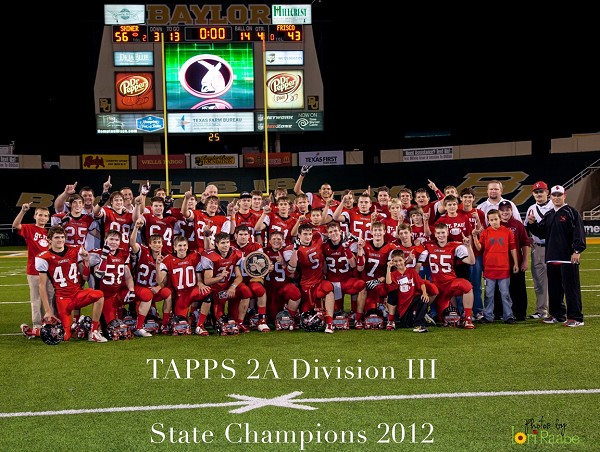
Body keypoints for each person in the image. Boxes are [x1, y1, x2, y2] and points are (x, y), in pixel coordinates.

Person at [23, 226, 107, 342]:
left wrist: (86, 261)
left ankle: (93, 331)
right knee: (64, 336)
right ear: (50, 240)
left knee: (99, 295)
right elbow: (42, 286)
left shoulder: (75, 250)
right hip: (63, 299)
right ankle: (32, 331)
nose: (60, 240)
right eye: (57, 237)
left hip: (77, 293)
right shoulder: (44, 257)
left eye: (62, 237)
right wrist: (48, 310)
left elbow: (85, 277)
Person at [526, 185, 586, 327]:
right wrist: (532, 223)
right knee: (554, 289)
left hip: (567, 258)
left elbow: (579, 233)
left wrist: (577, 251)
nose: (556, 198)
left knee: (571, 289)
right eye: (554, 195)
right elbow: (541, 233)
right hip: (552, 257)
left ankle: (576, 318)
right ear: (551, 196)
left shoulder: (571, 212)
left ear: (564, 195)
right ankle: (557, 315)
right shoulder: (550, 214)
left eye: (559, 195)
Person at [88, 230, 154, 337]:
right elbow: (98, 274)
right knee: (113, 329)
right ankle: (95, 327)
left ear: (120, 242)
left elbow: (128, 276)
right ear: (105, 240)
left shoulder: (123, 254)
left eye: (116, 240)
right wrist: (104, 258)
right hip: (105, 297)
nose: (113, 242)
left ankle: (138, 327)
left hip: (119, 292)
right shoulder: (97, 253)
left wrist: (131, 290)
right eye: (111, 239)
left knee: (147, 294)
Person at [283, 222, 336, 333]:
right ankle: (291, 318)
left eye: (309, 234)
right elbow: (290, 271)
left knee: (329, 288)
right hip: (305, 285)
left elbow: (330, 235)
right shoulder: (291, 249)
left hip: (319, 281)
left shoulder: (317, 237)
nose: (308, 236)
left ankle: (329, 324)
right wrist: (295, 251)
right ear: (299, 235)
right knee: (306, 317)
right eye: (305, 234)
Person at [422, 222, 476, 329]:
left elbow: (471, 261)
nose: (441, 235)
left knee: (467, 286)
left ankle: (468, 319)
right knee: (444, 318)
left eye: (443, 232)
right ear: (435, 234)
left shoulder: (455, 245)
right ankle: (420, 315)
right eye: (438, 233)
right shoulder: (428, 245)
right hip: (436, 285)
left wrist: (469, 247)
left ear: (447, 233)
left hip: (451, 282)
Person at [14, 203, 56, 338]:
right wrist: (23, 211)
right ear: (35, 216)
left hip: (49, 271)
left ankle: (49, 323)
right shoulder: (30, 228)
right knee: (36, 299)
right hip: (34, 270)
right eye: (40, 215)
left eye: (45, 216)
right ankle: (37, 326)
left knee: (50, 298)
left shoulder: (50, 232)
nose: (43, 218)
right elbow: (16, 225)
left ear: (48, 218)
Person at [472, 209, 519, 324]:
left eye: (496, 219)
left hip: (503, 269)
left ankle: (508, 316)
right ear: (488, 221)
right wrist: (474, 237)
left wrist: (516, 263)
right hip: (489, 269)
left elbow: (513, 248)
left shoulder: (507, 232)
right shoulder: (485, 232)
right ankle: (488, 316)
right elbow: (479, 248)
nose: (494, 222)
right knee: (488, 294)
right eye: (491, 220)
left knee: (505, 294)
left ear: (500, 219)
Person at [160, 235, 213, 335]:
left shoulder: (194, 256)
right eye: (179, 245)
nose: (182, 248)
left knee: (207, 292)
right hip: (181, 295)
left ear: (188, 246)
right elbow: (163, 280)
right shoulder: (168, 260)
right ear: (174, 247)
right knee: (181, 322)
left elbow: (198, 271)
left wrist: (200, 283)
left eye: (184, 245)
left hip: (192, 290)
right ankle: (166, 323)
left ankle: (199, 326)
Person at [201, 232, 252, 332]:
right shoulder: (209, 256)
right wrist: (220, 278)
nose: (226, 245)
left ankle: (240, 322)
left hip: (228, 287)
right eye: (223, 243)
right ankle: (211, 318)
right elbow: (207, 281)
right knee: (220, 319)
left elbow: (239, 276)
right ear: (216, 244)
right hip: (215, 290)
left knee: (246, 290)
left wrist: (233, 286)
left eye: (227, 242)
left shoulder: (235, 254)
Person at [129, 219, 173, 334]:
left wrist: (158, 265)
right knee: (147, 294)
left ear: (162, 244)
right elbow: (132, 243)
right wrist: (136, 228)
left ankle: (164, 325)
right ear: (149, 244)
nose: (157, 245)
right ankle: (138, 327)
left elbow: (161, 280)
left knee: (168, 293)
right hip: (139, 287)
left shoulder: (165, 258)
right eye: (154, 242)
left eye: (159, 242)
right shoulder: (143, 251)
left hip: (153, 289)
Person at [385, 251, 437, 333]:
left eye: (400, 260)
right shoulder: (394, 274)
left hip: (412, 299)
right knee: (407, 324)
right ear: (392, 262)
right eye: (395, 261)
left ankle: (419, 325)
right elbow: (388, 282)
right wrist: (388, 268)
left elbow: (421, 283)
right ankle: (420, 318)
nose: (398, 263)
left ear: (404, 260)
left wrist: (424, 293)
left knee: (422, 298)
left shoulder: (412, 271)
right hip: (403, 306)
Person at [523, 181, 553, 319]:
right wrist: (529, 238)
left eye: (541, 191)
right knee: (539, 281)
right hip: (539, 248)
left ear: (547, 192)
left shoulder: (555, 206)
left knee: (558, 280)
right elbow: (525, 229)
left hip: (554, 247)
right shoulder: (531, 208)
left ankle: (557, 310)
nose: (539, 194)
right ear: (533, 194)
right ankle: (541, 310)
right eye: (536, 192)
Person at [323, 222, 367, 313]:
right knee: (337, 311)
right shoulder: (324, 246)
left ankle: (357, 317)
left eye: (335, 231)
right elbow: (323, 267)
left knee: (361, 284)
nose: (333, 233)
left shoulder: (350, 243)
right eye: (330, 232)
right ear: (328, 234)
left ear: (340, 231)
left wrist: (346, 249)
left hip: (347, 280)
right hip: (333, 282)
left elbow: (353, 265)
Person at [498, 200, 530, 321]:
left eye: (507, 210)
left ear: (511, 210)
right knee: (500, 290)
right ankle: (500, 313)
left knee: (519, 290)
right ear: (499, 211)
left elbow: (525, 243)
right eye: (502, 210)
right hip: (500, 265)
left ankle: (520, 313)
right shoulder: (495, 224)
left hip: (515, 263)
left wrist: (525, 261)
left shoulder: (517, 224)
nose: (505, 212)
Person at [262, 230, 302, 323]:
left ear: (283, 241)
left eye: (279, 239)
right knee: (272, 318)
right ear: (270, 241)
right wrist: (265, 270)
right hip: (269, 290)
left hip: (284, 287)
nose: (276, 241)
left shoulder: (287, 252)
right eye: (274, 239)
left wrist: (283, 263)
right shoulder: (264, 252)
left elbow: (293, 275)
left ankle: (289, 317)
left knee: (295, 292)